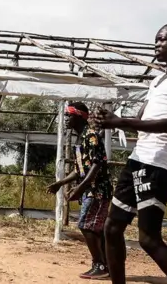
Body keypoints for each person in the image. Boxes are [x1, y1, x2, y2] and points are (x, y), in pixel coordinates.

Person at [94, 23, 167, 284]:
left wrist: (120, 123)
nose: (157, 44)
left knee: (149, 239)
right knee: (112, 227)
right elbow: (143, 118)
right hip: (139, 158)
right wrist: (113, 119)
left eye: (162, 39)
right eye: (156, 40)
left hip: (158, 161)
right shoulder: (157, 80)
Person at [47, 102, 112, 280]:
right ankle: (105, 265)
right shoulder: (80, 139)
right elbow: (80, 169)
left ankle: (100, 264)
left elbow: (96, 166)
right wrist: (60, 183)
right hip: (90, 190)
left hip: (98, 190)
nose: (66, 119)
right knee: (96, 229)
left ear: (79, 116)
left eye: (69, 115)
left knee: (86, 225)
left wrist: (79, 188)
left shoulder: (91, 136)